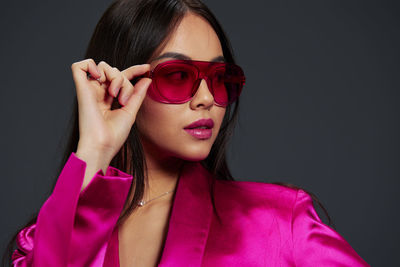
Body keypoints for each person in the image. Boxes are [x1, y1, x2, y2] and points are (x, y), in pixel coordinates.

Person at [4, 0, 370, 266]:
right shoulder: (44, 239)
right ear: (122, 83)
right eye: (178, 76)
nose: (207, 99)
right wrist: (94, 152)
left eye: (219, 78)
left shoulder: (279, 221)